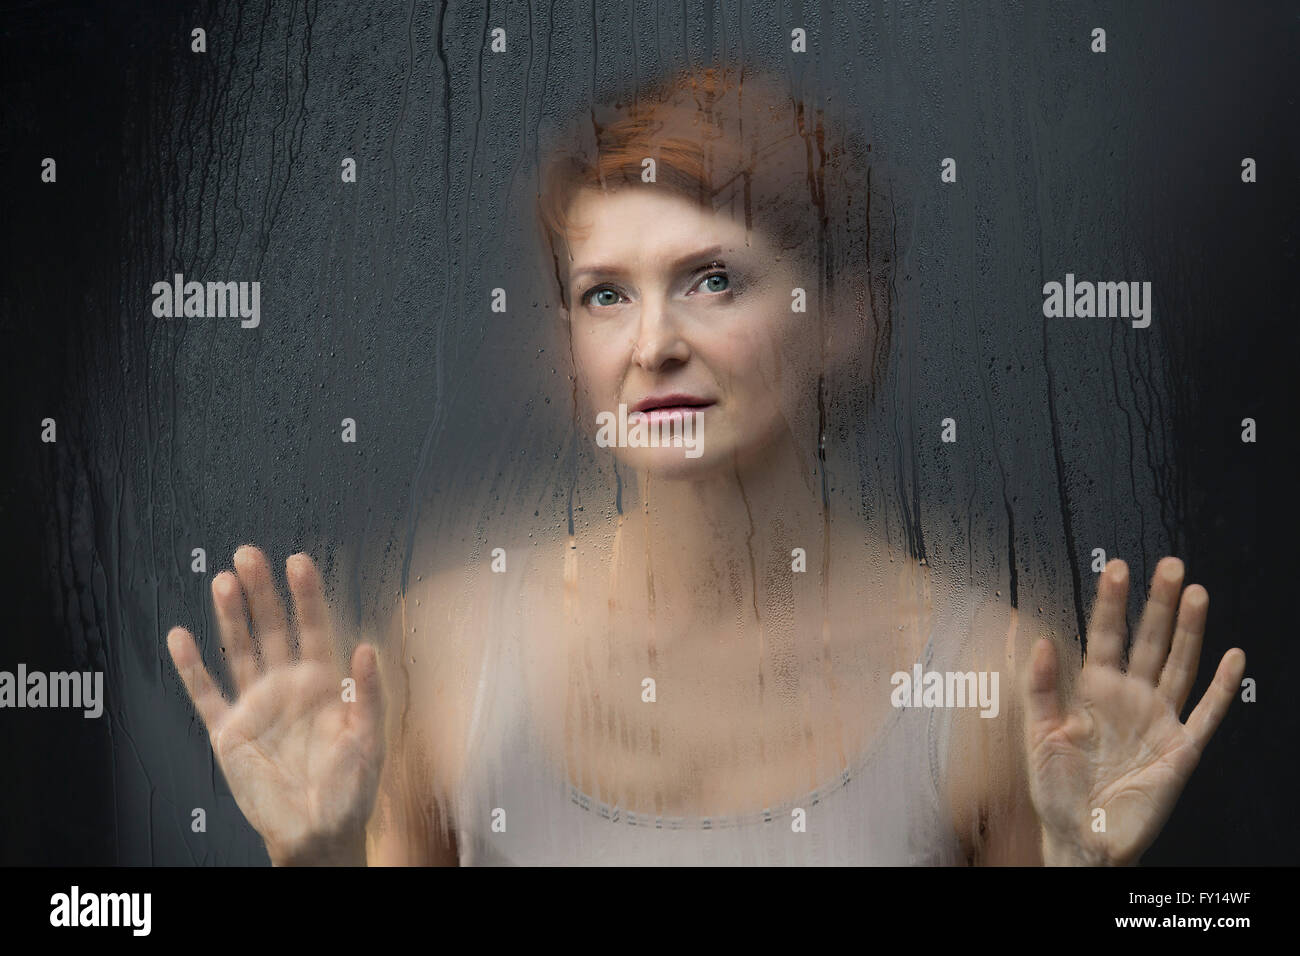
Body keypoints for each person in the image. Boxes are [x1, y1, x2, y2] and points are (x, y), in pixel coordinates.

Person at [165, 65, 1246, 866]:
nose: (652, 345)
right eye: (606, 293)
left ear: (844, 320)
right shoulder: (442, 646)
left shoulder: (1002, 679)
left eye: (713, 280)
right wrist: (311, 858)